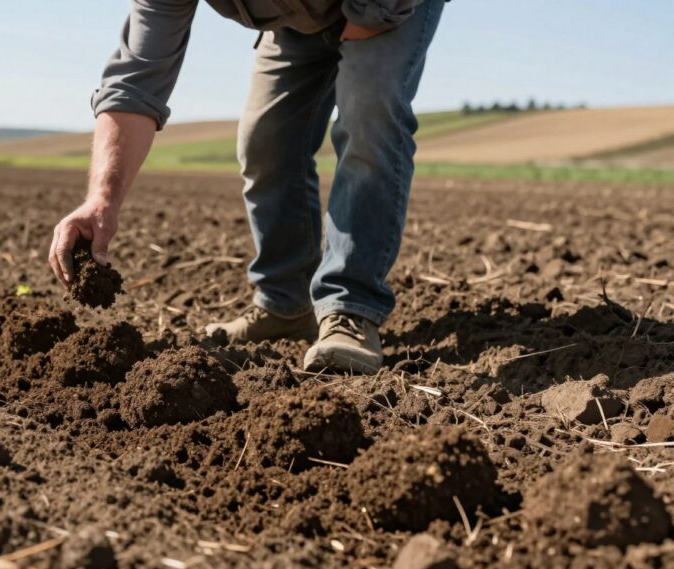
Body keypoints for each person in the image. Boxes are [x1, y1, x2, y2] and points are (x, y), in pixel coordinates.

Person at [49, 0, 444, 374]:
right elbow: (136, 80)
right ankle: (285, 304)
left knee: (367, 112)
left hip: (387, 7)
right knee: (264, 141)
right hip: (295, 19)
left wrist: (364, 21)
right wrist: (102, 198)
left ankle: (351, 307)